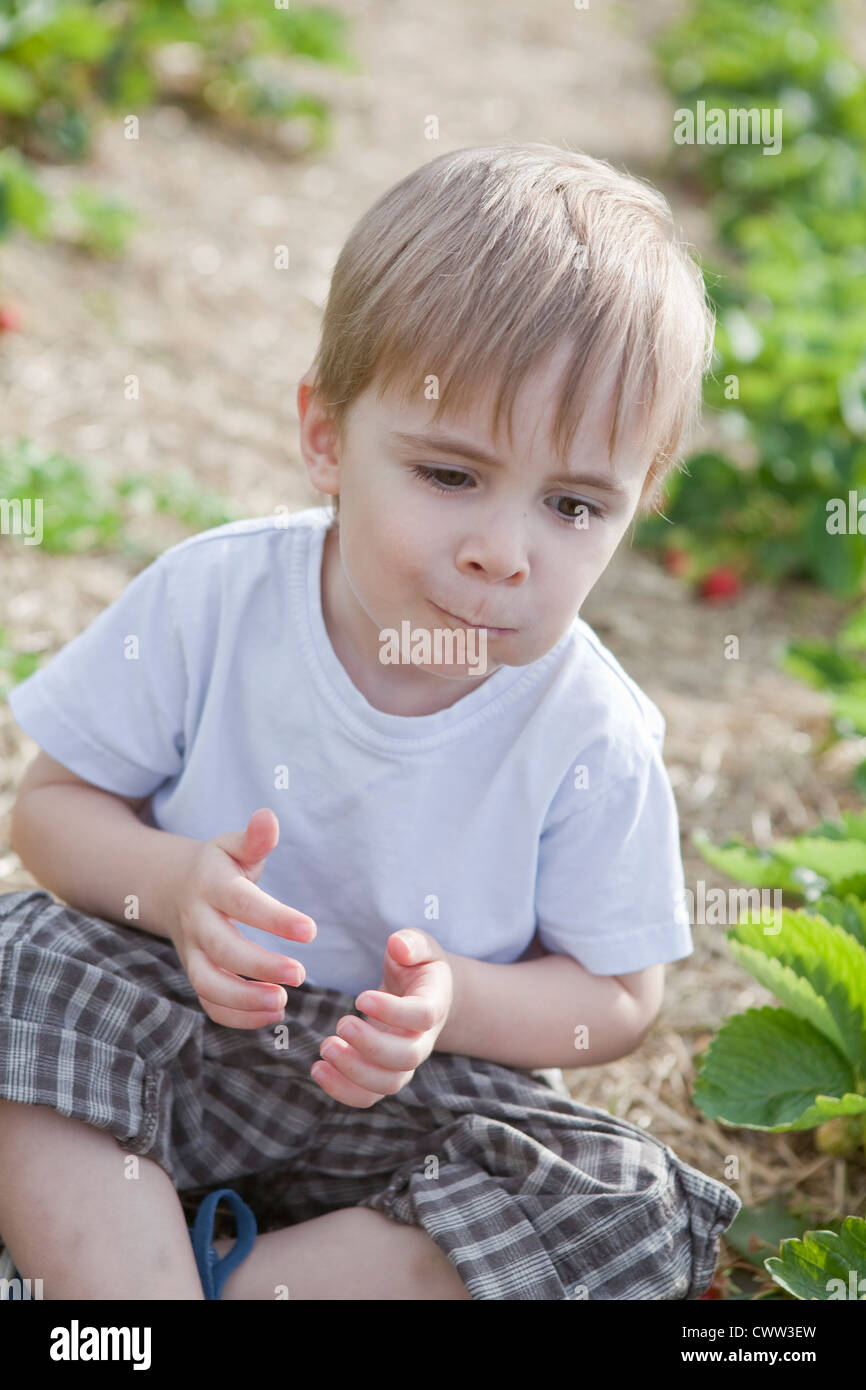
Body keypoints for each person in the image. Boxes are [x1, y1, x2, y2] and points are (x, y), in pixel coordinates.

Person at [0, 140, 740, 1301]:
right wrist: (177, 883)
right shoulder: (217, 599)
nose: (502, 550)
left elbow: (615, 1001)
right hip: (177, 1039)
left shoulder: (589, 729)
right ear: (326, 439)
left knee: (625, 1207)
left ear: (634, 511)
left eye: (571, 504)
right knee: (24, 959)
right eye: (450, 475)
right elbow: (49, 810)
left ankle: (214, 1286)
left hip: (413, 1097)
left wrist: (453, 998)